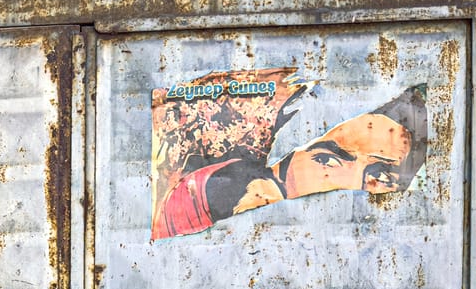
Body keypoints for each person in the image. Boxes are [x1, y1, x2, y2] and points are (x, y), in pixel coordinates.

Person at [152, 86, 428, 241]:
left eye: (380, 175)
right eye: (326, 160)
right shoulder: (209, 194)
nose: (350, 183)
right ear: (285, 160)